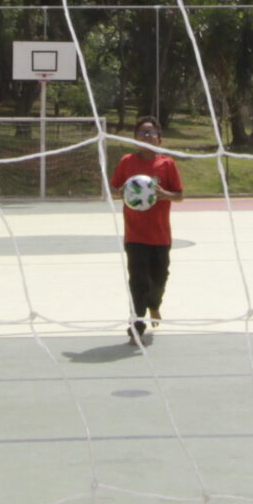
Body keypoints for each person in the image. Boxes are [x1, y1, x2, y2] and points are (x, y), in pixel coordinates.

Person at [110, 115, 184, 348]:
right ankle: (135, 329)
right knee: (138, 281)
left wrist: (164, 194)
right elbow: (113, 189)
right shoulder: (126, 162)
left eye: (151, 132)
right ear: (135, 138)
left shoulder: (167, 164)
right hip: (135, 235)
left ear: (159, 140)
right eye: (142, 132)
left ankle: (155, 304)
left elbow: (180, 196)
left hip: (160, 235)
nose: (146, 136)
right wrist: (122, 191)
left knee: (160, 278)